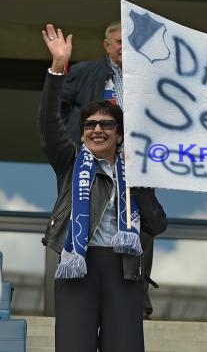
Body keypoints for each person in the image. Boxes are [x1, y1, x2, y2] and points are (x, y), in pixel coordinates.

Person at [38, 24, 167, 352]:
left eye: (106, 125)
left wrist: (135, 179)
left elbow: (157, 223)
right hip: (78, 265)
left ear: (120, 134)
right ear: (81, 132)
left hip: (123, 270)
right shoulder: (69, 161)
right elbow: (49, 121)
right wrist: (57, 66)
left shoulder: (137, 173)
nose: (97, 130)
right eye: (89, 125)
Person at [59, 20, 158, 319]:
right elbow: (58, 104)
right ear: (106, 45)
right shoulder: (86, 73)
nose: (122, 49)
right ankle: (82, 287)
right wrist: (74, 142)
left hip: (136, 162)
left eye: (128, 44)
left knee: (144, 223)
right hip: (94, 163)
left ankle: (136, 298)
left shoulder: (148, 81)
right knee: (89, 217)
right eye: (118, 42)